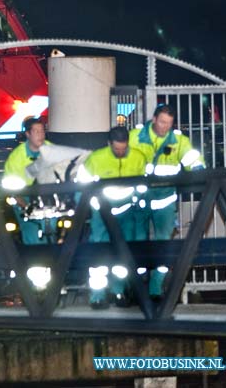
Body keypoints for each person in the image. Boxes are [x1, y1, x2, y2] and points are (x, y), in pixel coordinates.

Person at [129, 104, 204, 299]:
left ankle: (155, 289)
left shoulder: (178, 140)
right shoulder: (135, 137)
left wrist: (201, 171)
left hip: (165, 201)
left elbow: (194, 161)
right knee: (136, 242)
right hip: (139, 201)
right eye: (162, 122)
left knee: (164, 246)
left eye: (169, 123)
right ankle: (140, 280)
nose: (165, 127)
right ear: (154, 120)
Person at [75, 126, 147, 308]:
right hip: (102, 214)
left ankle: (119, 292)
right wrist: (90, 208)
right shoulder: (96, 159)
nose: (120, 152)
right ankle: (97, 296)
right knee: (99, 255)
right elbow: (82, 186)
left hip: (127, 212)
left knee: (123, 257)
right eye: (116, 149)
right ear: (109, 144)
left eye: (123, 148)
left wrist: (138, 202)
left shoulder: (138, 157)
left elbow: (144, 184)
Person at [2, 117, 50, 189]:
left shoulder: (52, 150)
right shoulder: (15, 158)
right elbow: (11, 189)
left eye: (42, 131)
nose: (41, 135)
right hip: (25, 196)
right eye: (36, 132)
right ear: (28, 134)